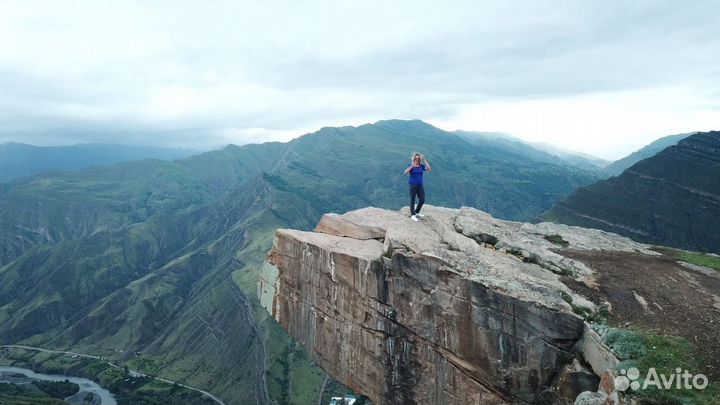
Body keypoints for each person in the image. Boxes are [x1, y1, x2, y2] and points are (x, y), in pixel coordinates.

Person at [403, 153, 432, 221]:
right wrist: (412, 166)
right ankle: (413, 215)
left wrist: (424, 159)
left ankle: (417, 212)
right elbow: (405, 172)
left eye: (418, 159)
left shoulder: (421, 166)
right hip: (413, 185)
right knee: (412, 200)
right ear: (413, 159)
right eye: (415, 158)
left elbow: (429, 169)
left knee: (422, 199)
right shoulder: (411, 166)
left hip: (420, 185)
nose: (417, 160)